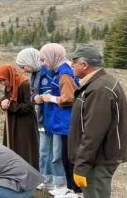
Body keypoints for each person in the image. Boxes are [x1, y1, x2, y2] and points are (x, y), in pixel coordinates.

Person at [67, 44, 127, 198]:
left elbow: (93, 132)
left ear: (84, 65)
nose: (71, 65)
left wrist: (81, 165)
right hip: (97, 154)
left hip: (100, 156)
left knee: (96, 193)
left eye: (74, 62)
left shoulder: (100, 89)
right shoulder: (99, 83)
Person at [38, 43, 79, 197]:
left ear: (52, 57)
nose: (43, 63)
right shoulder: (59, 72)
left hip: (66, 123)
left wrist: (51, 98)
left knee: (67, 157)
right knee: (63, 156)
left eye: (44, 59)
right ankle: (68, 188)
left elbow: (69, 97)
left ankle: (73, 189)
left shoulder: (64, 73)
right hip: (60, 122)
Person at [15, 47, 54, 192]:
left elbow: (54, 91)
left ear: (30, 61)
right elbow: (32, 96)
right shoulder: (34, 75)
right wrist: (35, 99)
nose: (24, 70)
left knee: (52, 151)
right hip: (42, 115)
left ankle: (54, 181)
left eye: (23, 66)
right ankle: (45, 179)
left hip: (52, 115)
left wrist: (42, 97)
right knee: (43, 150)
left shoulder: (47, 72)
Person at [0, 64, 39, 169]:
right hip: (12, 120)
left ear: (9, 76)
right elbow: (6, 97)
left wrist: (10, 106)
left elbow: (29, 106)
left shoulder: (24, 84)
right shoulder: (9, 85)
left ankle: (27, 172)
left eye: (3, 80)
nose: (2, 83)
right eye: (0, 81)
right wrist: (2, 102)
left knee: (24, 149)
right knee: (12, 147)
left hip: (24, 123)